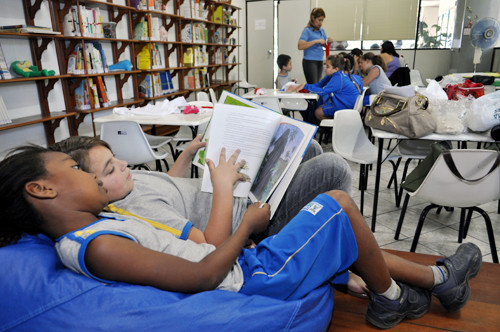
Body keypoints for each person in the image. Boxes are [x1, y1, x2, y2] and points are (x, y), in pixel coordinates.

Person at [0, 145, 482, 329]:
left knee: (334, 210)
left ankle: (418, 286)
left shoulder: (100, 227)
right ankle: (398, 294)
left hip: (243, 266)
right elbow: (201, 274)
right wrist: (248, 226)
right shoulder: (97, 245)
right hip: (246, 278)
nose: (102, 180)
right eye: (76, 170)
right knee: (337, 202)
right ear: (43, 189)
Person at [50, 135, 352, 245]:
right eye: (110, 167)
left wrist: (185, 154)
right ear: (91, 187)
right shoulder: (138, 208)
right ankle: (338, 248)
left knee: (308, 147)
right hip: (250, 223)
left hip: (238, 195)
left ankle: (328, 241)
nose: (124, 163)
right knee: (333, 168)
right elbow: (210, 244)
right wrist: (222, 185)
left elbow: (169, 185)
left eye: (115, 157)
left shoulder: (127, 183)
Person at [288, 54, 361, 121]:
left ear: (336, 69)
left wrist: (305, 86)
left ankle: (333, 127)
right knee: (319, 107)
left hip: (347, 106)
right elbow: (318, 85)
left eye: (328, 67)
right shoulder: (333, 75)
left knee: (318, 112)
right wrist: (300, 86)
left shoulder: (338, 78)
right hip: (345, 103)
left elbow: (322, 92)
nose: (325, 68)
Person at [298, 8, 333, 84]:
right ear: (313, 18)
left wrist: (328, 41)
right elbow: (300, 46)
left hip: (319, 60)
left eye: (322, 20)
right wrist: (315, 41)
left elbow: (324, 44)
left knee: (317, 85)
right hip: (310, 61)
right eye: (319, 20)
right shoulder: (307, 31)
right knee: (313, 85)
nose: (321, 22)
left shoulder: (322, 30)